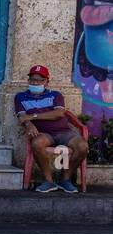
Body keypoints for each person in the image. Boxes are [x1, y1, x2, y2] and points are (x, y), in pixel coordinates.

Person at [16, 64, 86, 193]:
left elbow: (58, 114)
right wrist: (28, 124)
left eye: (39, 80)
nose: (35, 83)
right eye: (32, 79)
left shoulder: (55, 95)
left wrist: (33, 116)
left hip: (64, 132)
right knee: (37, 143)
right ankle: (49, 181)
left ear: (46, 82)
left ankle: (65, 180)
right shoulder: (20, 97)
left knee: (82, 146)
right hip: (44, 134)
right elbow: (21, 117)